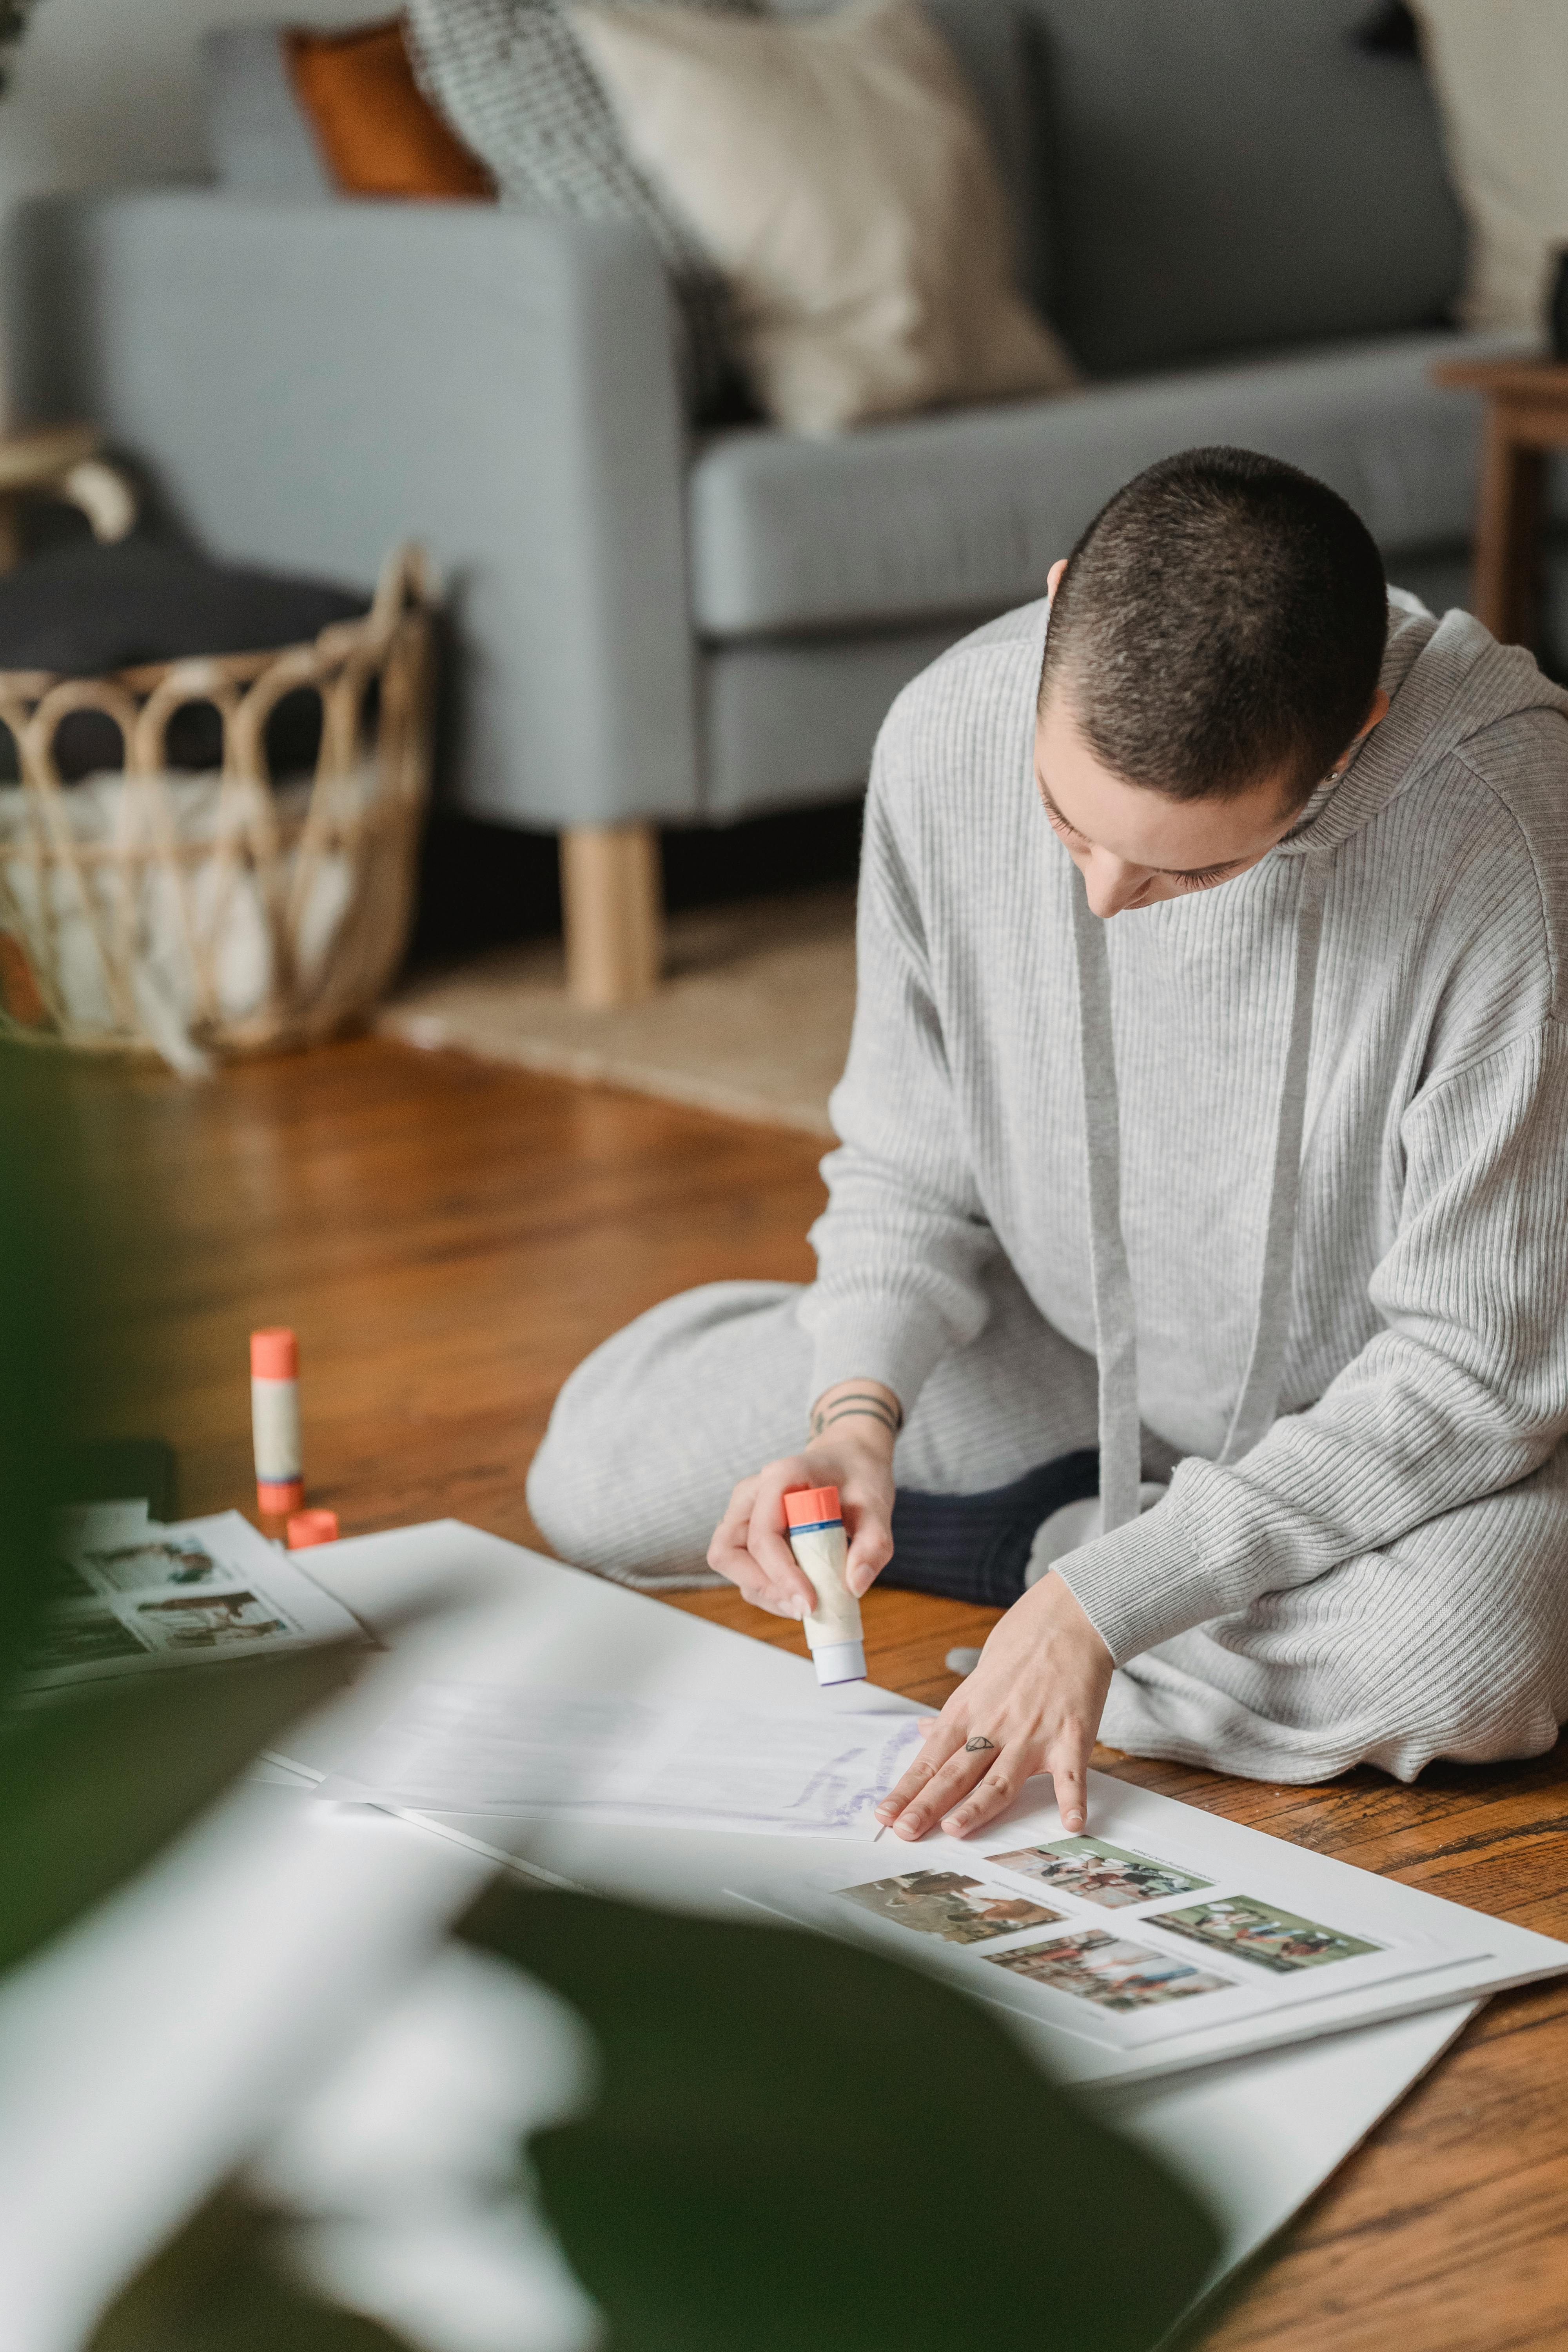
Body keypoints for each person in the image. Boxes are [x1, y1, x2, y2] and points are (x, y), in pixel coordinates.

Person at [529, 446, 1568, 1847]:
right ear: (1060, 602)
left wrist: (1113, 1600)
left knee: (1466, 1657)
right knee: (595, 1478)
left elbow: (1477, 1372)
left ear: (1357, 733)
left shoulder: (1508, 829)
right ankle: (1076, 1568)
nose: (1103, 897)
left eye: (1191, 870)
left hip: (1410, 1442)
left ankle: (1065, 1590)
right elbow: (908, 1165)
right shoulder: (945, 728)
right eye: (1066, 822)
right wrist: (856, 1417)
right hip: (1077, 1358)